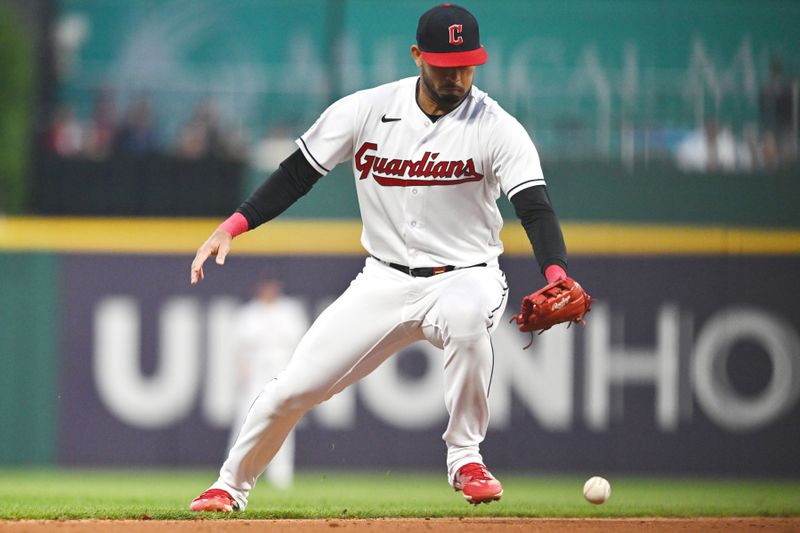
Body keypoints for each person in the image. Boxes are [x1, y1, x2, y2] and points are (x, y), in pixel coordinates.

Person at [189, 4, 575, 512]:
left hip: (465, 276)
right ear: (417, 56)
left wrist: (556, 272)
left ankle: (465, 457)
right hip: (381, 281)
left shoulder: (497, 127)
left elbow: (535, 208)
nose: (456, 75)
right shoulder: (366, 110)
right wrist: (235, 224)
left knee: (464, 319)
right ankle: (229, 486)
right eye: (444, 64)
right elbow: (296, 173)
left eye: (466, 63)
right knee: (294, 387)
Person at [227, 276, 308, 490]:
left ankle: (281, 477)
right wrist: (241, 370)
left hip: (282, 365)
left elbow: (301, 344)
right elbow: (238, 348)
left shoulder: (290, 310)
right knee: (245, 418)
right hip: (256, 369)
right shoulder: (248, 313)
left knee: (282, 419)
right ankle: (233, 475)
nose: (268, 290)